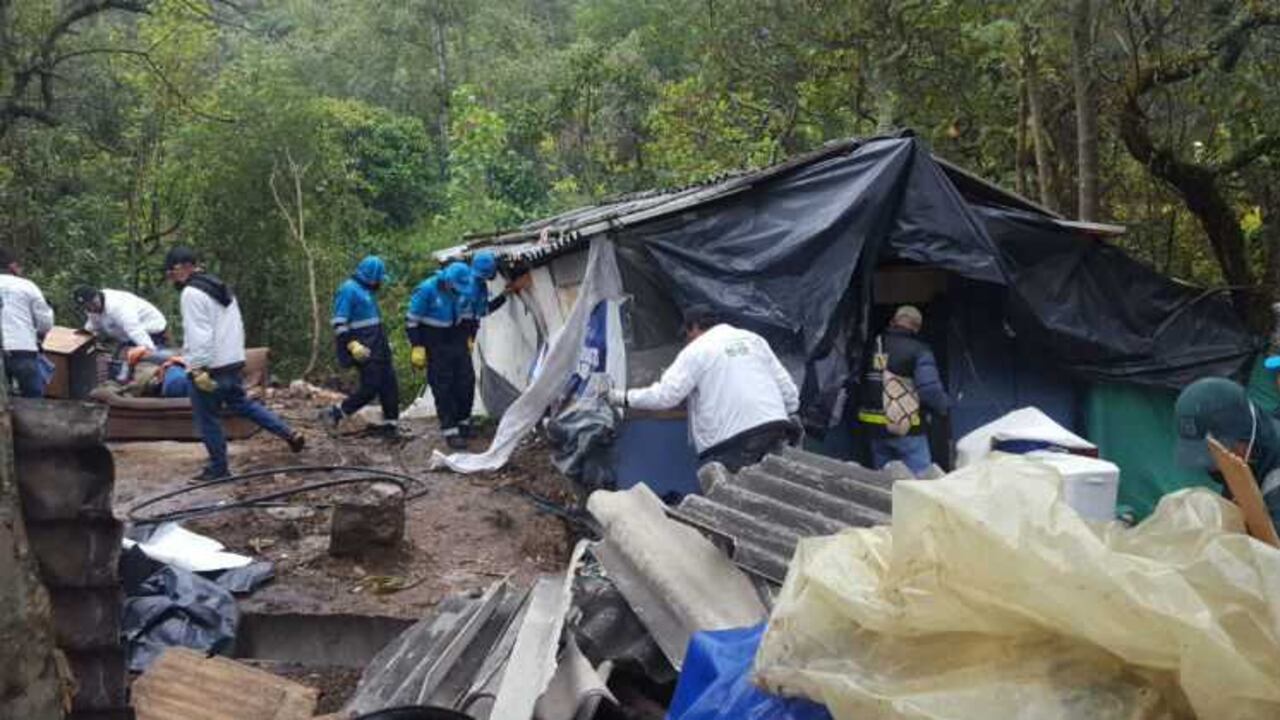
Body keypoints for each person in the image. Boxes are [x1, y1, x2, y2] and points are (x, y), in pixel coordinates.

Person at [163, 246, 305, 481]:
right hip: (232, 362)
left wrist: (197, 368)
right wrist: (236, 357)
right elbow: (235, 326)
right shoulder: (220, 287)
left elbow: (200, 334)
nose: (172, 280)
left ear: (181, 268)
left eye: (171, 274)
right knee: (243, 404)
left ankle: (218, 469)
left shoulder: (191, 293)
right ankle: (288, 433)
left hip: (210, 367)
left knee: (208, 419)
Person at [607, 305, 800, 473]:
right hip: (775, 428)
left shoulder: (696, 350)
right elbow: (789, 391)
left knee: (728, 496)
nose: (687, 340)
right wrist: (787, 412)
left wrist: (621, 398)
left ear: (693, 327)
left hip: (732, 442)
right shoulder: (754, 340)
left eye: (687, 334)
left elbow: (666, 396)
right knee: (772, 492)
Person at [1174, 377, 1280, 529]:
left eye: (1215, 453)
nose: (1213, 466)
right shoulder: (1241, 462)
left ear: (1244, 438)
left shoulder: (1275, 479)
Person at [857, 305, 951, 475]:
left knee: (885, 480)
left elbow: (859, 379)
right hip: (906, 427)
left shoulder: (872, 345)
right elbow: (929, 391)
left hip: (874, 427)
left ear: (893, 321)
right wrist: (944, 406)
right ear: (917, 327)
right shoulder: (919, 350)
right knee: (920, 480)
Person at [321, 256, 399, 436]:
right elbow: (339, 323)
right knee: (371, 386)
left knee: (390, 384)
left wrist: (384, 342)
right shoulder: (348, 290)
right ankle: (336, 412)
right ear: (371, 276)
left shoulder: (366, 291)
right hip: (362, 348)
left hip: (378, 345)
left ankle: (391, 426)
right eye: (379, 279)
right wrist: (352, 345)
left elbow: (371, 322)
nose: (380, 283)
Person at [407, 262, 475, 449]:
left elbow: (468, 315)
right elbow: (412, 321)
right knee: (443, 386)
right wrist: (417, 346)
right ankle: (450, 430)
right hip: (434, 340)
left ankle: (463, 422)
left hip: (457, 336)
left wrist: (469, 336)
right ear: (448, 280)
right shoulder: (427, 290)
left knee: (466, 381)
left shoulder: (463, 289)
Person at [0, 247, 55, 397]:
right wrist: (38, 336)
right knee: (32, 398)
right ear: (12, 266)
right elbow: (46, 322)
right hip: (22, 348)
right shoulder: (26, 286)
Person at [73, 286, 168, 350]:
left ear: (97, 296)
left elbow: (135, 330)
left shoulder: (117, 306)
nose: (91, 309)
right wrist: (85, 333)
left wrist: (149, 351)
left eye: (92, 304)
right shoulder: (93, 308)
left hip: (151, 333)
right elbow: (94, 323)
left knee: (145, 365)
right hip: (128, 337)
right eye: (86, 307)